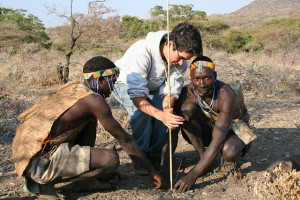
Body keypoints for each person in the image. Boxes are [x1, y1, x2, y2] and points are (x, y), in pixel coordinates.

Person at [12, 56, 163, 200]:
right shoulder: (93, 100)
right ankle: (44, 185)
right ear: (100, 79)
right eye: (112, 82)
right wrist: (152, 170)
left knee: (91, 121)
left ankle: (83, 180)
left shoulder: (74, 88)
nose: (113, 88)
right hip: (36, 162)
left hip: (28, 154)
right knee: (110, 159)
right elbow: (125, 139)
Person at [113, 22, 203, 174]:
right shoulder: (142, 52)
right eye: (180, 57)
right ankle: (140, 157)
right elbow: (137, 95)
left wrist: (166, 110)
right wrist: (160, 115)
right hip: (125, 84)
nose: (181, 63)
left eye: (185, 59)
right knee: (142, 114)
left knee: (165, 112)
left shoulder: (180, 61)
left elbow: (169, 91)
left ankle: (154, 155)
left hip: (152, 87)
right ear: (170, 44)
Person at [160, 56, 255, 192]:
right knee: (184, 114)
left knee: (229, 152)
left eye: (207, 78)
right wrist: (164, 168)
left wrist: (193, 175)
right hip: (212, 126)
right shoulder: (186, 94)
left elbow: (219, 137)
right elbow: (172, 130)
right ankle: (203, 158)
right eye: (196, 79)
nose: (202, 84)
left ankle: (222, 160)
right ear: (191, 78)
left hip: (236, 128)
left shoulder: (226, 94)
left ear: (215, 76)